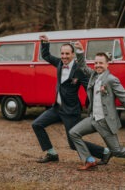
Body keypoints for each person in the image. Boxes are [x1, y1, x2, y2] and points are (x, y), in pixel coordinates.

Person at [69, 41, 125, 171]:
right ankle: (89, 160)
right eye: (96, 63)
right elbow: (82, 66)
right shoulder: (94, 76)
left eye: (101, 63)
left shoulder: (111, 80)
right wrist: (79, 52)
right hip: (93, 119)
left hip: (105, 122)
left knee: (117, 151)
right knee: (73, 133)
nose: (98, 65)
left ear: (107, 64)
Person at [32, 35, 111, 164]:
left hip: (71, 111)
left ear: (73, 54)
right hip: (57, 108)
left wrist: (92, 105)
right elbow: (46, 56)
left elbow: (89, 87)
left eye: (67, 54)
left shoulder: (79, 69)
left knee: (73, 143)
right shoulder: (59, 63)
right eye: (62, 53)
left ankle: (105, 152)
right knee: (37, 124)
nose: (64, 56)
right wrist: (45, 42)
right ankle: (51, 153)